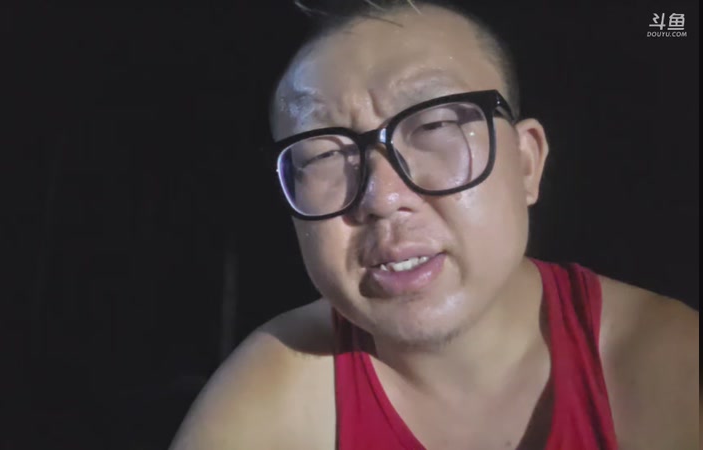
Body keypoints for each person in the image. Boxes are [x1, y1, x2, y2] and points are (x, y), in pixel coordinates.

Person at [170, 1, 700, 448]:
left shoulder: (666, 364)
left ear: (527, 164)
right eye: (325, 155)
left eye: (435, 126)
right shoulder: (273, 394)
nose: (382, 198)